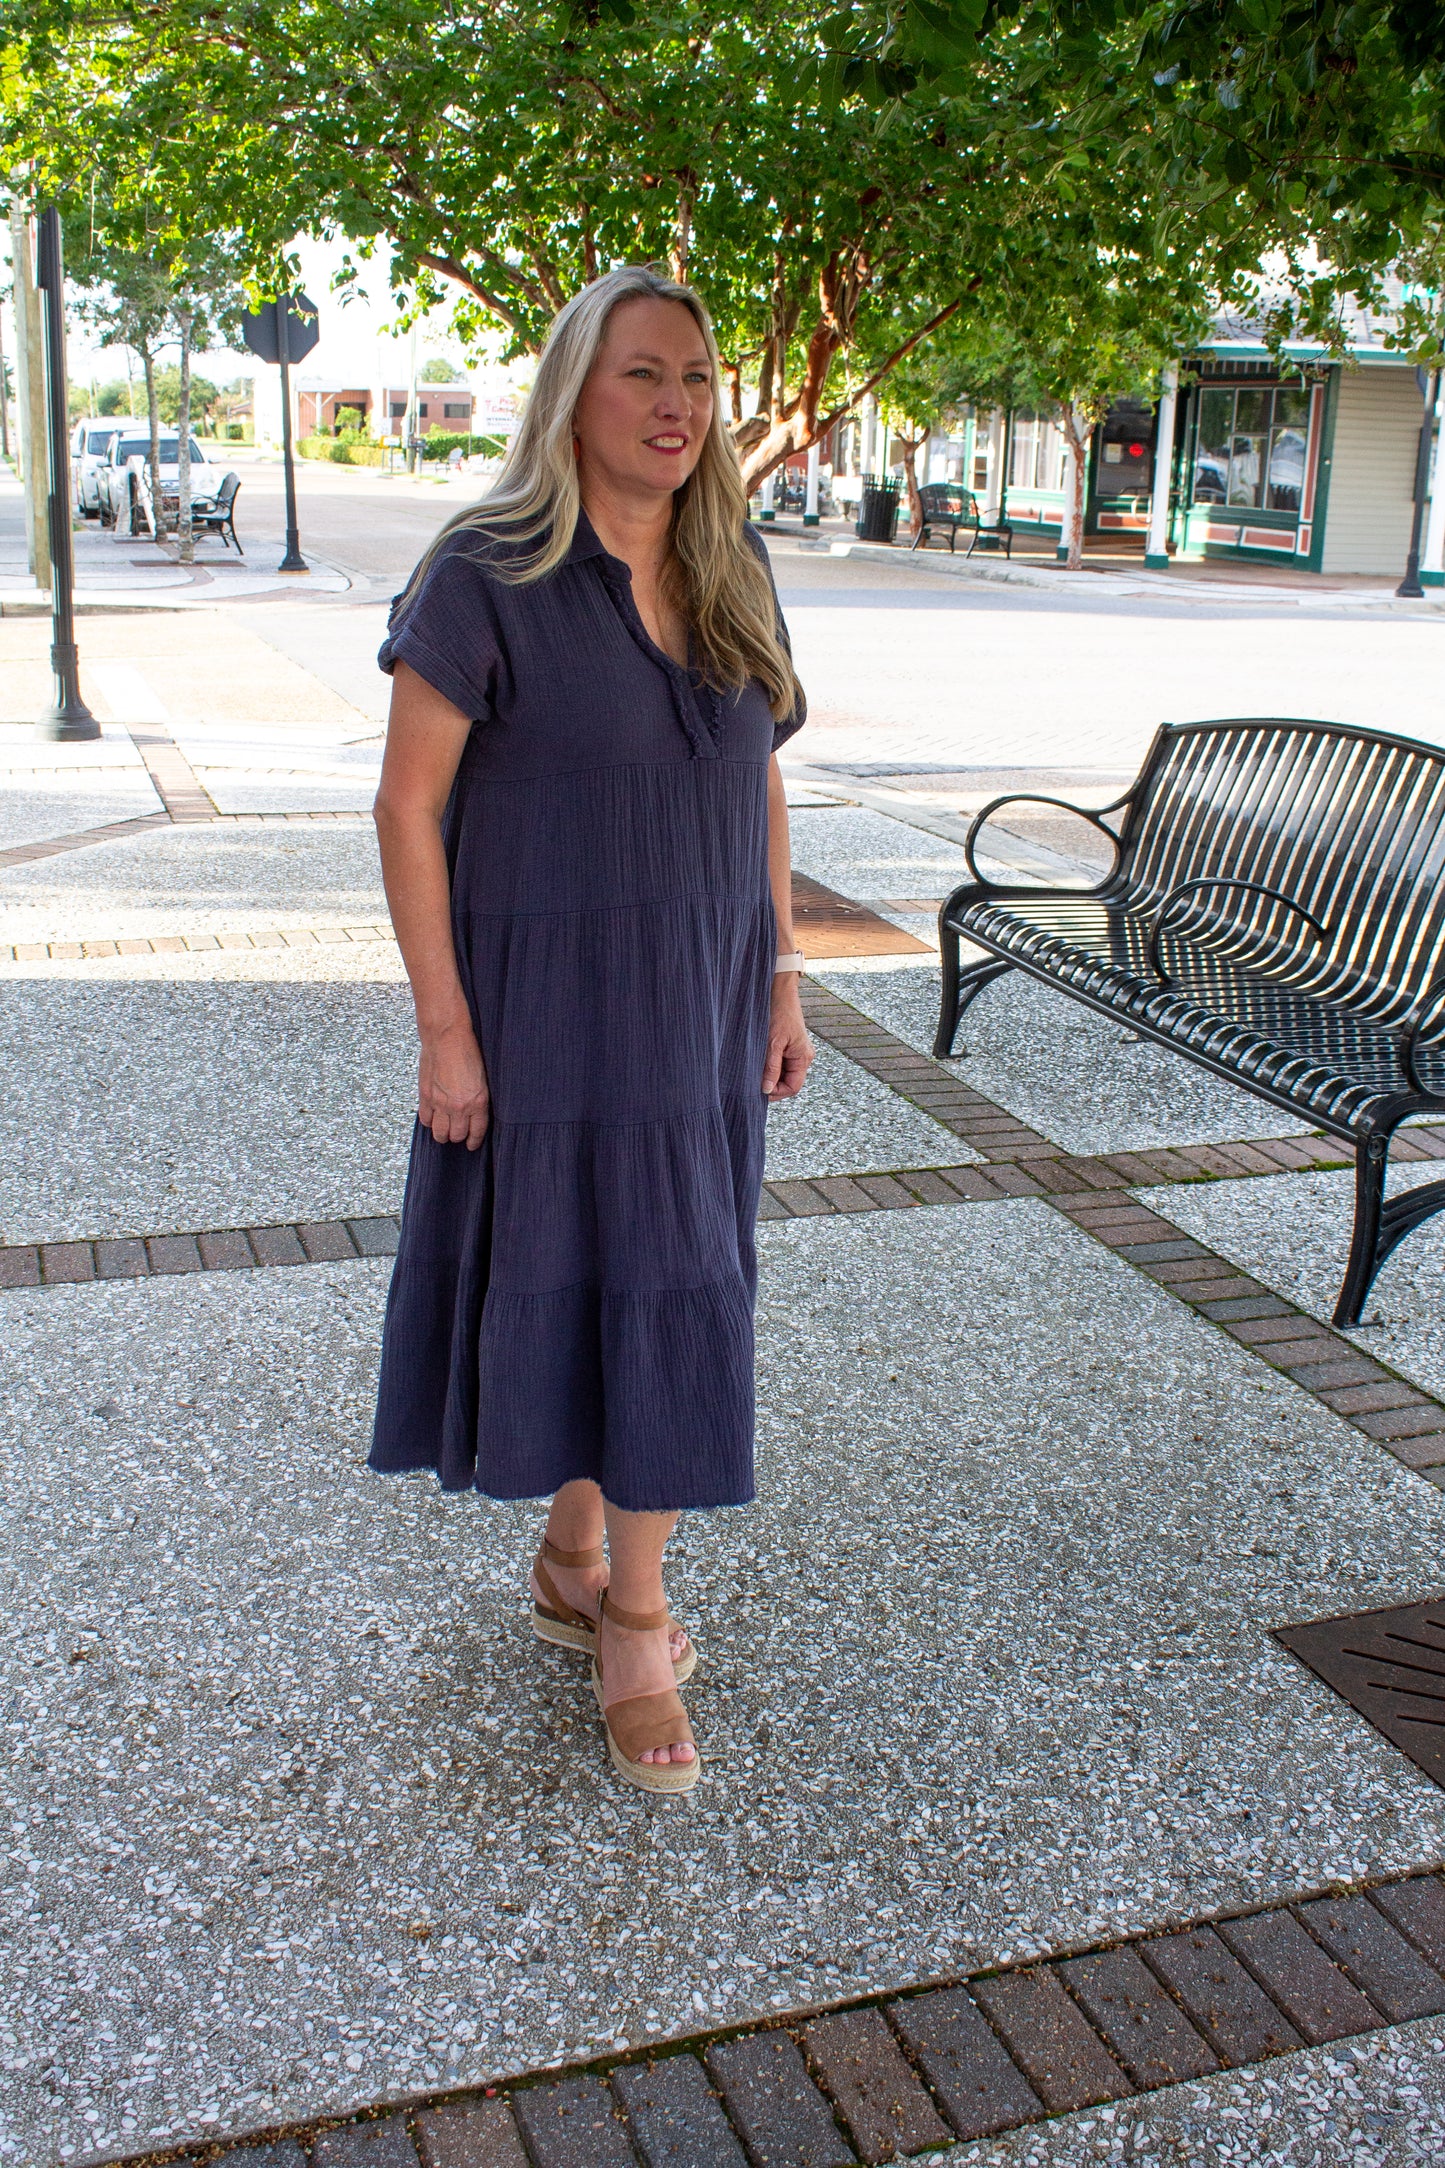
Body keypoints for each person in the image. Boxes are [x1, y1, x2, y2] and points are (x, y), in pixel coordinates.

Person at [369, 265, 812, 1795]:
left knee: (679, 1275)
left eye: (694, 378)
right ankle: (627, 1614)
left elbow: (755, 777)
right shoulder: (483, 572)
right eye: (642, 374)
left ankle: (597, 1574)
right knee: (586, 1270)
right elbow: (408, 806)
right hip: (545, 1007)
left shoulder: (735, 561)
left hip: (698, 1004)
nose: (677, 405)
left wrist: (781, 977)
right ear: (574, 390)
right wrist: (444, 1029)